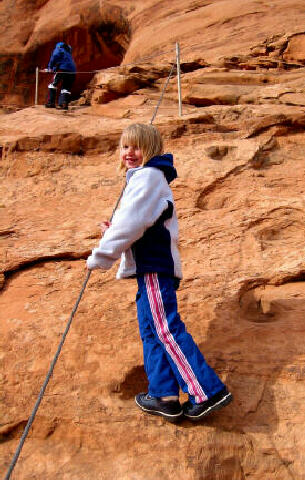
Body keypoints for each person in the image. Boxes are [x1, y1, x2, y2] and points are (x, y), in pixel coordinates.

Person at [86, 123, 232, 422]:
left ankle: (206, 392)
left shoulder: (149, 177)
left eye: (137, 147)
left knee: (164, 329)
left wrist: (102, 255)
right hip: (148, 269)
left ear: (151, 150)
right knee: (151, 330)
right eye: (125, 146)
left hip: (154, 267)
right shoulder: (145, 179)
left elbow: (133, 223)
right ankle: (163, 395)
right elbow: (140, 221)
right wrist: (116, 231)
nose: (129, 152)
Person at [45, 42, 76, 110]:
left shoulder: (59, 49)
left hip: (62, 70)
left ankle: (51, 103)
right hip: (73, 71)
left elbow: (54, 57)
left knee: (53, 85)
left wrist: (50, 68)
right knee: (66, 88)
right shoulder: (68, 53)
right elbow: (64, 62)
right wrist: (54, 68)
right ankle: (63, 104)